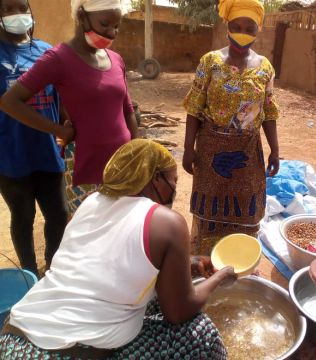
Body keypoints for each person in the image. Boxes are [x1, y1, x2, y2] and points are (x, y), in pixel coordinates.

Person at [0, 139, 237, 359]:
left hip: (13, 338)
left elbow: (107, 261)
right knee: (201, 335)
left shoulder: (90, 201)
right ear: (156, 178)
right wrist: (221, 277)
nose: (174, 190)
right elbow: (178, 312)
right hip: (61, 353)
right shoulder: (168, 222)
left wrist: (188, 262)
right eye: (173, 181)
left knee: (151, 302)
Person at [0, 0, 138, 216]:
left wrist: (136, 152)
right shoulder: (58, 59)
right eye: (105, 24)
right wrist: (58, 130)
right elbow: (10, 101)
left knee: (120, 235)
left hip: (122, 165)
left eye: (117, 26)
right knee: (89, 236)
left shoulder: (115, 59)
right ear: (82, 16)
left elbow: (127, 109)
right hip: (86, 169)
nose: (112, 32)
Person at [183, 0, 280, 255]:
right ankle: (203, 262)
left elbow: (269, 111)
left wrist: (276, 151)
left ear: (258, 29)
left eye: (249, 27)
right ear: (227, 25)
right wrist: (187, 148)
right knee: (208, 210)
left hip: (248, 152)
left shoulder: (265, 68)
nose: (242, 32)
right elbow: (194, 107)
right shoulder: (210, 62)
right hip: (210, 149)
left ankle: (239, 262)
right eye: (236, 25)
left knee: (245, 211)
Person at [0, 0, 68, 276]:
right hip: (10, 153)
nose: (16, 14)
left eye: (21, 8)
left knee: (59, 214)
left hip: (48, 150)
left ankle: (52, 268)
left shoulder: (46, 52)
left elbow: (61, 98)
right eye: (7, 9)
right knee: (23, 216)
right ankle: (29, 275)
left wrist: (68, 126)